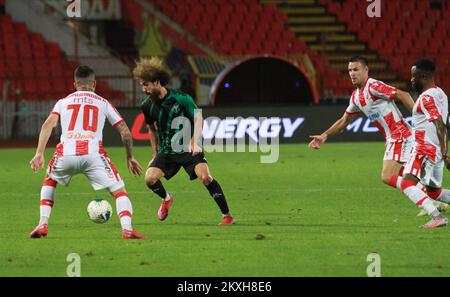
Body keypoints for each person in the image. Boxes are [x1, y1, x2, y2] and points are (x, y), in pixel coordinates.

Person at [29, 66, 145, 239]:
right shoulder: (103, 103)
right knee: (119, 191)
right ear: (95, 84)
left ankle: (42, 224)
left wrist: (39, 153)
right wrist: (130, 156)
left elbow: (48, 125)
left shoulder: (63, 102)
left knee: (50, 181)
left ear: (75, 84)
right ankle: (127, 229)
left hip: (65, 154)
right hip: (93, 155)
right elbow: (126, 132)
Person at [309, 56, 445, 198]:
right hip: (393, 138)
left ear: (366, 70)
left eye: (356, 69)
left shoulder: (373, 86)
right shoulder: (356, 97)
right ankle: (431, 196)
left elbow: (403, 95)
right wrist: (324, 135)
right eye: (350, 70)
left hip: (400, 135)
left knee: (387, 176)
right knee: (402, 174)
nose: (352, 73)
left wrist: (418, 119)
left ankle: (428, 200)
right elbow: (344, 120)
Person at [132, 57, 234, 225]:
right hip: (167, 151)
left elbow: (199, 118)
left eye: (146, 84)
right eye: (142, 85)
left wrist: (194, 142)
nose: (143, 89)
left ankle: (227, 216)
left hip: (188, 148)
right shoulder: (147, 106)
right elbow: (151, 129)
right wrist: (154, 153)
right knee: (149, 179)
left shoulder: (182, 98)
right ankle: (166, 199)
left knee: (206, 177)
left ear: (157, 82)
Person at [400, 59, 450, 228]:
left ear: (424, 76)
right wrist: (443, 154)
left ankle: (437, 217)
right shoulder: (441, 94)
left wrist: (445, 154)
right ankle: (436, 214)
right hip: (435, 151)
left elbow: (440, 125)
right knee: (434, 192)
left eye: (414, 77)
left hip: (424, 149)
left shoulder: (426, 98)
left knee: (406, 183)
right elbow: (443, 125)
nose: (411, 80)